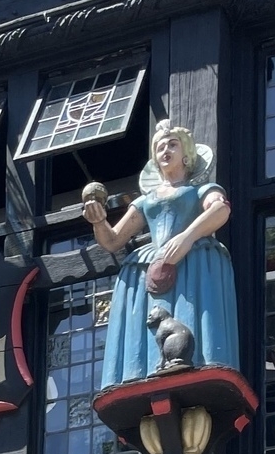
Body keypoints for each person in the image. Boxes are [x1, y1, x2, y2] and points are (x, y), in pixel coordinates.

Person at [83, 120, 240, 388]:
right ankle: (140, 372)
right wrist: (98, 221)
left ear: (187, 154)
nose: (165, 150)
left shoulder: (199, 189)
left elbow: (220, 209)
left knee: (190, 313)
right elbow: (112, 240)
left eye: (172, 144)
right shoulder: (146, 200)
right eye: (159, 147)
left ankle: (197, 360)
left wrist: (187, 238)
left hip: (192, 260)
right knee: (147, 324)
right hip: (152, 264)